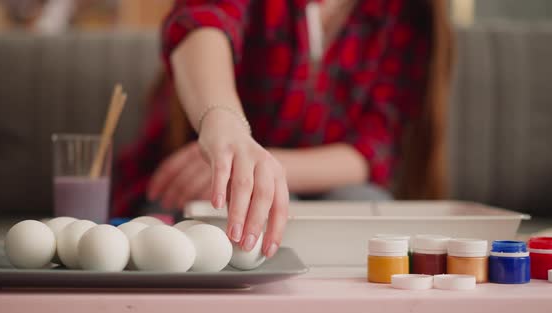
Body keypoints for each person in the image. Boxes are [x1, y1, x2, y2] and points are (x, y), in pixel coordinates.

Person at [113, 0, 455, 259]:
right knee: (186, 220)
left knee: (363, 204)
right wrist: (224, 127)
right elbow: (203, 21)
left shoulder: (407, 13)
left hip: (321, 184)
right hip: (200, 171)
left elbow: (376, 146)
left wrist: (259, 166)